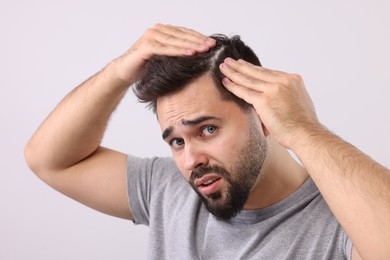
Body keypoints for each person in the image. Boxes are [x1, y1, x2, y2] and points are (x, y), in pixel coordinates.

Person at [24, 24, 390, 259]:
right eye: (177, 142)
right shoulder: (169, 189)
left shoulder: (342, 220)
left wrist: (303, 129)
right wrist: (120, 70)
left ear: (262, 116)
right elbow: (50, 159)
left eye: (208, 130)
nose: (190, 160)